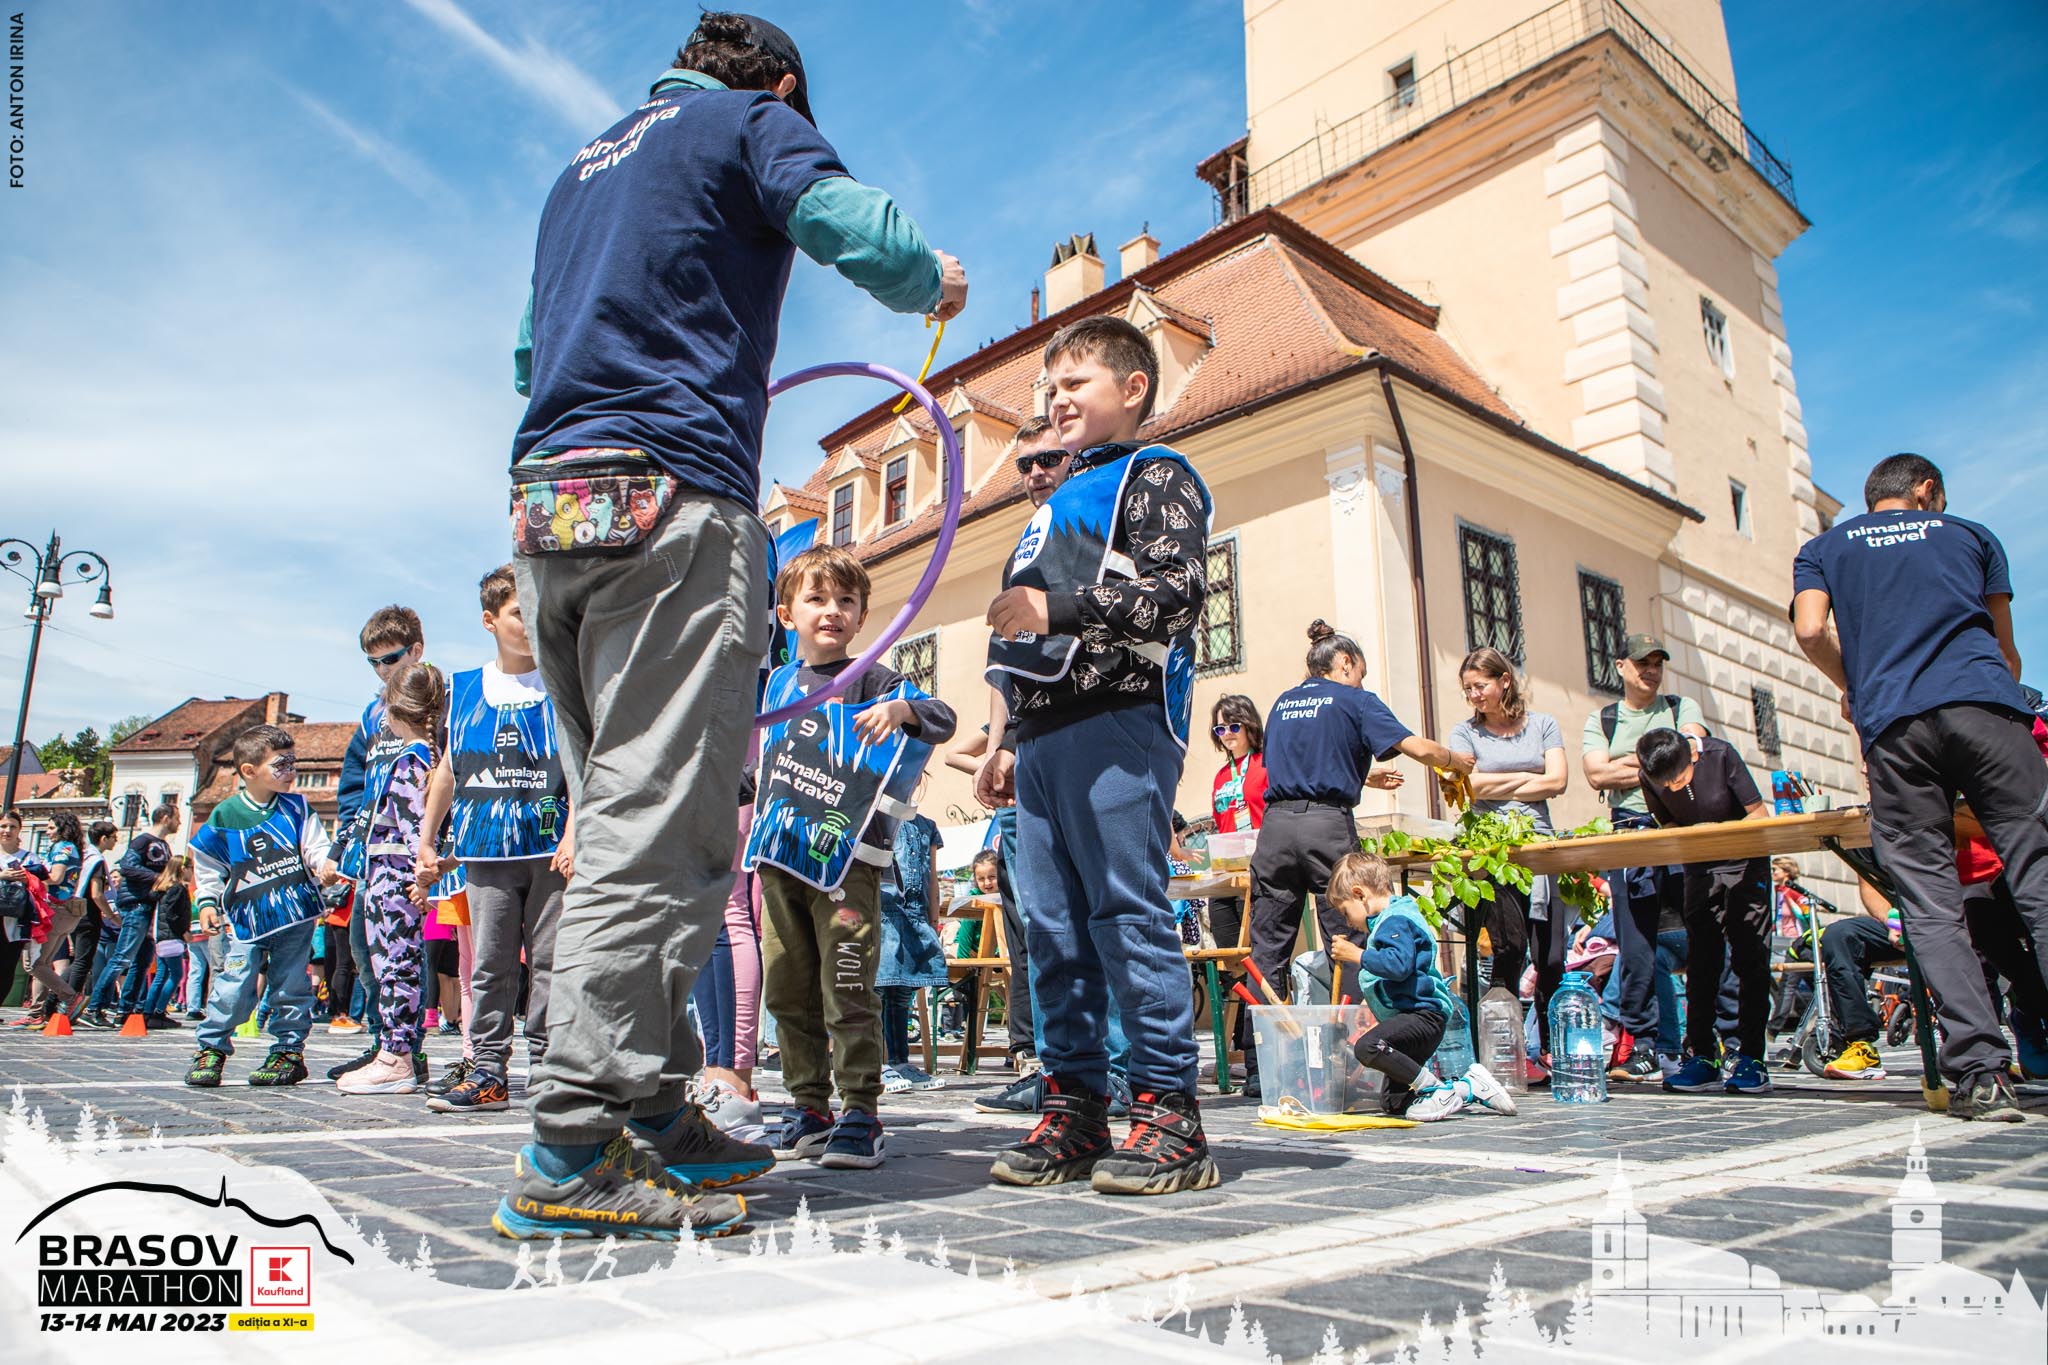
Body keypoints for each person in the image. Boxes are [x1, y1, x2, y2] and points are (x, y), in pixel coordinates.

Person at [497, 9, 965, 1242]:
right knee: (658, 828)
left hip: (550, 508)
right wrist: (933, 280)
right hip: (672, 495)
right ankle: (571, 1144)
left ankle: (656, 1107)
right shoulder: (751, 124)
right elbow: (862, 233)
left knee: (637, 811)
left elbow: (529, 357)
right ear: (785, 85)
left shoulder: (578, 169)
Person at [977, 315, 1217, 1196]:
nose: (1058, 398)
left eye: (1076, 382)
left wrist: (1063, 609)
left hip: (1120, 719)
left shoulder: (1156, 473)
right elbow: (1021, 638)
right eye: (1051, 387)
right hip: (1041, 738)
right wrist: (1005, 739)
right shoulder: (1055, 503)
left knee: (1126, 913)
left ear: (1134, 387)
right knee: (1050, 928)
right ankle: (1075, 1105)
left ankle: (1169, 1112)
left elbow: (1181, 591)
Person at [1793, 452, 2046, 1122]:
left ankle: (1981, 1076)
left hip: (1895, 727)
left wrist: (1855, 686)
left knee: (1931, 903)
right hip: (1985, 708)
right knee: (2039, 876)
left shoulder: (1823, 548)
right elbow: (2006, 652)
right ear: (1928, 490)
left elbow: (1810, 629)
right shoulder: (1971, 535)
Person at [757, 545, 956, 1169]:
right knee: (787, 989)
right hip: (780, 860)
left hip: (849, 868)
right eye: (816, 599)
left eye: (846, 601)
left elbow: (943, 718)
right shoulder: (777, 686)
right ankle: (808, 1106)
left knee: (846, 985)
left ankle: (861, 1111)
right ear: (787, 614)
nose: (832, 612)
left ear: (863, 617)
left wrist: (902, 710)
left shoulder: (873, 678)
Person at [1245, 621, 1469, 1084]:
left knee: (1267, 948)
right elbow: (1416, 748)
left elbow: (1301, 765)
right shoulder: (1355, 700)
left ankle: (1259, 1069)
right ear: (1345, 663)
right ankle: (1346, 1061)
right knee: (1349, 939)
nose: (1362, 683)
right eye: (1360, 673)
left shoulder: (1282, 703)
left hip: (1275, 830)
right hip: (1326, 828)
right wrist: (1456, 762)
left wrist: (1361, 775)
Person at [415, 566, 572, 1115]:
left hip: (550, 849)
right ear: (490, 620)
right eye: (518, 612)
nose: (531, 622)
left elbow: (585, 766)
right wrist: (428, 839)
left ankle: (549, 1070)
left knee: (551, 963)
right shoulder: (462, 690)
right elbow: (448, 769)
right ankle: (487, 1070)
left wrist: (575, 831)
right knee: (490, 964)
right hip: (484, 849)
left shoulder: (565, 682)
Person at [946, 416, 1069, 1090]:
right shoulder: (1021, 552)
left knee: (1088, 912)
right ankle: (1043, 1058)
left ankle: (1098, 1065)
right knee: (1032, 923)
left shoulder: (1094, 526)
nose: (1035, 474)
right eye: (1025, 465)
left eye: (1048, 459)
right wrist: (996, 748)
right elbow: (1005, 665)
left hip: (1084, 746)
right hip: (1028, 760)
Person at [1578, 632, 1708, 1081]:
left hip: (1677, 830)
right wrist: (1658, 763)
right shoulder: (1604, 718)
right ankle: (1647, 1045)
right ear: (1620, 666)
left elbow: (1692, 754)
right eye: (1642, 663)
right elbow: (1596, 775)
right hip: (1628, 834)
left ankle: (1702, 1043)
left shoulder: (1681, 707)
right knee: (1637, 947)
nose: (1651, 671)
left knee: (1696, 938)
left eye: (1657, 663)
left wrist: (1626, 767)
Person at [184, 726, 339, 1088]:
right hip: (247, 918)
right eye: (281, 764)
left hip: (295, 912)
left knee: (291, 984)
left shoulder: (297, 808)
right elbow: (207, 864)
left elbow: (315, 847)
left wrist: (325, 865)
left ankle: (288, 1050)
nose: (291, 771)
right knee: (235, 984)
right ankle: (211, 1047)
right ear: (249, 771)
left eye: (293, 762)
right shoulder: (226, 815)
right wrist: (207, 902)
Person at [1325, 851, 1515, 1121]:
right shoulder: (1388, 921)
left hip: (1422, 1016)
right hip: (1411, 1018)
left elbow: (1399, 965)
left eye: (1346, 912)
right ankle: (1468, 1087)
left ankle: (1436, 1089)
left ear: (1360, 894)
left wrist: (1357, 955)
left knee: (1368, 1047)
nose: (1348, 921)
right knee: (1394, 1103)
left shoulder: (1396, 920)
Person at [1633, 728, 1773, 1095]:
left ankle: (1751, 1057)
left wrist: (1719, 831)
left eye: (1678, 779)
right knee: (1702, 962)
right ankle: (1702, 1056)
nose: (1672, 788)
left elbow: (1759, 815)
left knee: (1749, 958)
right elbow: (1668, 823)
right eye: (1665, 784)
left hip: (1745, 864)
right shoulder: (1651, 776)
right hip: (1698, 868)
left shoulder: (1720, 755)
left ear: (1692, 757)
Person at [1447, 648, 1569, 1062]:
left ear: (1504, 681)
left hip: (1540, 845)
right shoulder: (1465, 734)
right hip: (1493, 850)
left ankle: (1552, 1049)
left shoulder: (1543, 724)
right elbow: (1471, 788)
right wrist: (1529, 776)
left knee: (1551, 955)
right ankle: (1508, 1052)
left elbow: (1558, 781)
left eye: (1480, 686)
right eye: (1468, 689)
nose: (1474, 696)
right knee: (1508, 950)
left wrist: (1496, 779)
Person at [334, 664, 447, 1096]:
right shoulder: (425, 758)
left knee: (395, 966)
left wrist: (422, 880)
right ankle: (396, 1052)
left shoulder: (409, 761)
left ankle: (395, 1057)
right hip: (394, 876)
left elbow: (416, 830)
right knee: (394, 965)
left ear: (395, 712)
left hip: (394, 879)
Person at [330, 604, 426, 1081]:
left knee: (403, 955)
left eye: (391, 659)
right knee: (366, 954)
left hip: (412, 853)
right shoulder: (372, 714)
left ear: (416, 651)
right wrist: (346, 840)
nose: (383, 670)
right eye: (374, 662)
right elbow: (353, 783)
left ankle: (407, 1050)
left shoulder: (435, 700)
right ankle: (380, 1041)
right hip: (370, 853)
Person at [79, 804, 178, 1028]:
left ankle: (125, 1011)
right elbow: (127, 867)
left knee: (142, 961)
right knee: (122, 957)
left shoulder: (164, 846)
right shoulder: (143, 841)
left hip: (151, 907)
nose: (179, 823)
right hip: (136, 905)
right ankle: (94, 1008)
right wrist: (158, 879)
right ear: (165, 818)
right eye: (176, 818)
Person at [878, 802, 947, 1093]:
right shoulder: (876, 816)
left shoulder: (927, 826)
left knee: (902, 992)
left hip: (915, 916)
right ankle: (875, 1064)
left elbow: (932, 877)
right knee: (879, 990)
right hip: (883, 915)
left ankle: (900, 1061)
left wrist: (933, 919)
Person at [1206, 693, 1266, 957]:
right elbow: (1221, 821)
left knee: (1256, 952)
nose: (1227, 734)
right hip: (1227, 870)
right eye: (1220, 729)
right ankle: (1235, 983)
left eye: (1233, 726)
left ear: (1248, 725)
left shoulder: (1266, 763)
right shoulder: (1221, 775)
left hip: (1259, 868)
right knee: (1229, 953)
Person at [18, 812, 86, 1025]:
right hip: (67, 911)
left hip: (55, 909)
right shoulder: (74, 848)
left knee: (33, 963)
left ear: (62, 828)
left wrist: (29, 877)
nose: (47, 832)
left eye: (51, 828)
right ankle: (38, 1012)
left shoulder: (63, 847)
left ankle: (70, 997)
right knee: (44, 963)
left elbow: (56, 877)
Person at [57, 821, 120, 1010]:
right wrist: (112, 916)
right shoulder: (96, 860)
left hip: (74, 911)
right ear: (103, 839)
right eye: (114, 838)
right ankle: (68, 1004)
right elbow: (97, 894)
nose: (115, 841)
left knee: (78, 960)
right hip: (88, 915)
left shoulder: (84, 855)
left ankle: (54, 1001)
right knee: (83, 962)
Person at [138, 856, 194, 1027]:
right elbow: (172, 914)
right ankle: (158, 1011)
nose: (192, 872)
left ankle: (149, 1012)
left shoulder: (165, 888)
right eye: (191, 868)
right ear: (183, 869)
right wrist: (183, 931)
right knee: (176, 974)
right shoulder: (177, 889)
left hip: (162, 935)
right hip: (171, 936)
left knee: (161, 975)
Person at [0, 810, 47, 1009]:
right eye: (3, 826)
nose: (7, 830)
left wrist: (27, 878)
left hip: (16, 920)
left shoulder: (30, 858)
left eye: (12, 826)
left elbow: (43, 885)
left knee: (6, 966)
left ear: (19, 830)